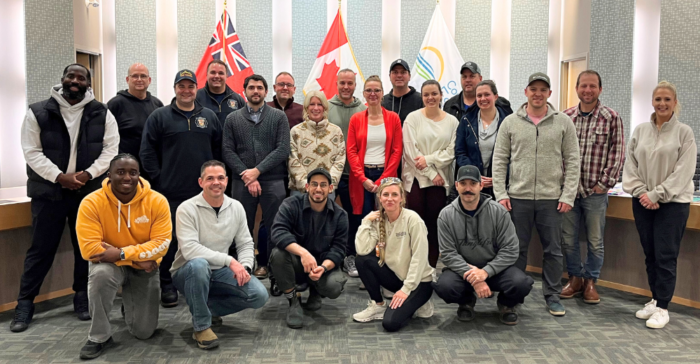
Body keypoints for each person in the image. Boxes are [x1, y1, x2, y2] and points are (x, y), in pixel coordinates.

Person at [12, 64, 119, 332]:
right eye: (71, 76)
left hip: (87, 192)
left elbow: (110, 149)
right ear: (62, 79)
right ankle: (24, 304)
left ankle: (81, 298)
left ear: (88, 82)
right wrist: (60, 177)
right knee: (40, 250)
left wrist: (87, 175)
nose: (75, 81)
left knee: (86, 249)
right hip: (48, 193)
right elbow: (31, 151)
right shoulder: (38, 112)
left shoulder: (101, 112)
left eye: (81, 77)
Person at [492, 72, 580, 317]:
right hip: (517, 198)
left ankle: (552, 295)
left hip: (551, 199)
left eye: (543, 89)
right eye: (533, 89)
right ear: (526, 92)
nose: (538, 94)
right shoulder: (510, 122)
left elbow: (573, 161)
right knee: (516, 249)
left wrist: (567, 195)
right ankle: (513, 295)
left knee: (553, 249)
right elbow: (499, 160)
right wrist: (501, 193)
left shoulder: (563, 122)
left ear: (549, 94)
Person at [75, 154, 172, 359]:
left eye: (133, 172)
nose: (127, 177)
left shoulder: (157, 201)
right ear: (109, 175)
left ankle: (129, 306)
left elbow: (162, 244)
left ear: (139, 175)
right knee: (100, 275)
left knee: (144, 332)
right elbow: (89, 250)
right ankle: (99, 336)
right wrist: (134, 258)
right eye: (120, 172)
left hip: (143, 267)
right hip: (122, 264)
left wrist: (119, 252)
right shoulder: (91, 202)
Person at [140, 69, 222, 308]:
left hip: (205, 193)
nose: (186, 91)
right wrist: (159, 180)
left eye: (190, 86)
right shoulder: (159, 116)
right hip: (170, 192)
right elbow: (147, 152)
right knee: (171, 241)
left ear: (197, 89)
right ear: (175, 88)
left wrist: (216, 182)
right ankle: (168, 284)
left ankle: (204, 283)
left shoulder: (209, 116)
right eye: (181, 86)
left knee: (206, 239)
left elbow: (218, 152)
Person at [622, 81, 697, 329]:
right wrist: (644, 193)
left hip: (672, 204)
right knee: (650, 255)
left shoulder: (684, 132)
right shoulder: (641, 130)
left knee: (665, 256)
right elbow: (630, 166)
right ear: (652, 102)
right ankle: (655, 299)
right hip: (642, 201)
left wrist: (657, 194)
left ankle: (663, 307)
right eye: (658, 99)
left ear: (675, 102)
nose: (662, 104)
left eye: (667, 99)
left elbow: (684, 171)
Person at [171, 160, 269, 348]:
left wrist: (246, 267)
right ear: (201, 182)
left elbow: (246, 243)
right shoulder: (187, 208)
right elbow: (190, 249)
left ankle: (204, 308)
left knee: (259, 295)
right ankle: (201, 327)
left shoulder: (236, 207)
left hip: (220, 272)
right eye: (210, 178)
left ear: (227, 181)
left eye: (220, 178)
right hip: (188, 271)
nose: (216, 182)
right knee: (199, 265)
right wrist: (230, 261)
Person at [432, 166, 534, 325]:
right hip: (464, 271)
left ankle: (507, 304)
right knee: (445, 286)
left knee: (522, 283)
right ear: (456, 185)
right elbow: (448, 254)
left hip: (496, 270)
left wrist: (486, 272)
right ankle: (466, 301)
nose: (468, 189)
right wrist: (475, 279)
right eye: (463, 184)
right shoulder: (446, 215)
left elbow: (510, 250)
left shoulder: (498, 212)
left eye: (472, 183)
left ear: (481, 186)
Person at [560, 70, 625, 304]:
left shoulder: (611, 117)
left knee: (595, 241)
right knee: (568, 239)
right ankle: (575, 278)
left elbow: (617, 154)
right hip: (569, 192)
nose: (588, 90)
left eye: (593, 86)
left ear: (600, 89)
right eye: (583, 86)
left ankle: (590, 281)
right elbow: (558, 153)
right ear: (576, 88)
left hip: (595, 193)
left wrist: (604, 184)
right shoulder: (565, 117)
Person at [223, 74, 290, 281]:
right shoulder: (232, 119)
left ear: (266, 91)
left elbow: (282, 149)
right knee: (240, 226)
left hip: (274, 180)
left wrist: (257, 171)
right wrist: (248, 176)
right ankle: (242, 270)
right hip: (241, 181)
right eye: (251, 87)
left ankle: (276, 274)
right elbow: (227, 150)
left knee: (275, 227)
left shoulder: (278, 117)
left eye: (260, 88)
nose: (256, 91)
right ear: (245, 91)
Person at [270, 168, 349, 329]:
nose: (318, 189)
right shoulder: (291, 205)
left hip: (322, 265)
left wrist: (323, 267)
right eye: (314, 184)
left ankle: (316, 291)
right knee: (278, 254)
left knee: (334, 287)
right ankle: (293, 301)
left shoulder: (340, 215)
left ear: (330, 188)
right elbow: (278, 232)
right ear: (307, 187)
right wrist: (303, 253)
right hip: (297, 263)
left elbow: (339, 249)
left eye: (323, 185)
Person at [352, 177, 434, 332]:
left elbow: (420, 258)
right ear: (380, 198)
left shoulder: (413, 220)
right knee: (362, 261)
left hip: (419, 283)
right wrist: (365, 222)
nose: (390, 199)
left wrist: (406, 290)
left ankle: (418, 303)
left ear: (401, 198)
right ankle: (378, 305)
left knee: (390, 323)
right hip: (397, 278)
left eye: (395, 195)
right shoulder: (378, 220)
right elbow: (362, 250)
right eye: (386, 194)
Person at [401, 80, 458, 267]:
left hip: (440, 184)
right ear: (422, 97)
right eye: (426, 94)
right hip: (417, 180)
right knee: (415, 226)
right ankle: (413, 269)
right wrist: (431, 173)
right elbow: (410, 152)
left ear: (441, 95)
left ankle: (431, 268)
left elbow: (451, 152)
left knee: (433, 227)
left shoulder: (452, 122)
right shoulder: (412, 118)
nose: (430, 98)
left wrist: (430, 159)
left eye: (434, 94)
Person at [346, 75, 403, 242]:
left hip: (386, 176)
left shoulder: (393, 118)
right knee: (363, 218)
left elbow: (396, 151)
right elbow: (351, 151)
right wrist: (363, 178)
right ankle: (362, 256)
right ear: (363, 93)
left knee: (387, 215)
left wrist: (382, 180)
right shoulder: (356, 119)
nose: (373, 94)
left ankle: (386, 256)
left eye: (376, 90)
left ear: (382, 93)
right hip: (361, 177)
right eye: (369, 90)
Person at [328, 69, 367, 277]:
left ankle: (350, 257)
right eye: (342, 83)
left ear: (355, 85)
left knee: (354, 218)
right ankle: (330, 256)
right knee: (328, 218)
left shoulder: (362, 109)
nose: (346, 87)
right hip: (330, 176)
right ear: (336, 84)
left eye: (350, 83)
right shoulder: (326, 107)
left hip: (354, 175)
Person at [454, 80, 512, 198]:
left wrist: (498, 177)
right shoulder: (466, 121)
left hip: (502, 187)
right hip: (473, 185)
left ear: (495, 96)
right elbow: (460, 152)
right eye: (479, 96)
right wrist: (474, 175)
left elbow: (515, 155)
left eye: (487, 94)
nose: (483, 98)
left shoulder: (509, 122)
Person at [107, 63, 163, 179]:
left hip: (151, 169)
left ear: (149, 80)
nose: (139, 80)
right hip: (124, 170)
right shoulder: (115, 104)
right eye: (135, 76)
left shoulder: (157, 105)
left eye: (143, 76)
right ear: (128, 79)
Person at [288, 91, 345, 202]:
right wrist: (307, 185)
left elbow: (340, 160)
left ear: (325, 108)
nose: (316, 108)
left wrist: (328, 184)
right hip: (300, 190)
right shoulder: (296, 131)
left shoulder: (336, 131)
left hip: (326, 191)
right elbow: (292, 160)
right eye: (312, 104)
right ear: (306, 108)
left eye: (320, 104)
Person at [444, 61, 512, 130]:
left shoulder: (501, 104)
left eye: (472, 76)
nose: (467, 80)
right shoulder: (449, 106)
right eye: (464, 77)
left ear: (480, 78)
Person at [195, 59, 245, 126]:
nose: (217, 76)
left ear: (226, 76)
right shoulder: (195, 98)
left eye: (221, 73)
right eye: (213, 72)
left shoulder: (238, 100)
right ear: (206, 75)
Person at [381, 59, 423, 124]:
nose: (399, 75)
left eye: (403, 72)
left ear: (409, 76)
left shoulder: (421, 100)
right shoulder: (382, 101)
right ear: (389, 76)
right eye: (395, 72)